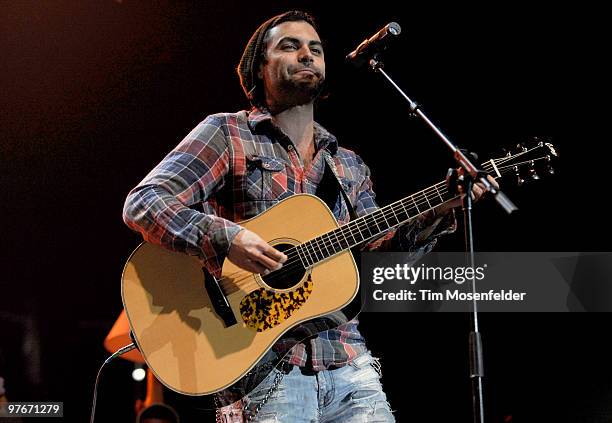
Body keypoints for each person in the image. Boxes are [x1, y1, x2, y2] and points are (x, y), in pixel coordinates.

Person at [123, 10, 494, 422]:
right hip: (262, 371)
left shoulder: (348, 165)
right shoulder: (227, 134)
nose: (306, 55)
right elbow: (145, 202)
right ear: (258, 68)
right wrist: (227, 238)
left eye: (315, 49)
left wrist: (439, 210)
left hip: (349, 362)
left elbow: (379, 256)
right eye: (289, 46)